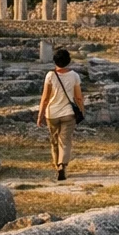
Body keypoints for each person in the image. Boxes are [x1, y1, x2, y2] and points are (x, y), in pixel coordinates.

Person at [36, 47, 84, 181]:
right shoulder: (74, 75)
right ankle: (63, 165)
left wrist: (40, 115)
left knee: (54, 141)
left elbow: (45, 98)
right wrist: (81, 110)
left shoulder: (50, 75)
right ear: (68, 61)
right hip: (68, 113)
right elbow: (78, 97)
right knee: (66, 141)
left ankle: (57, 165)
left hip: (52, 113)